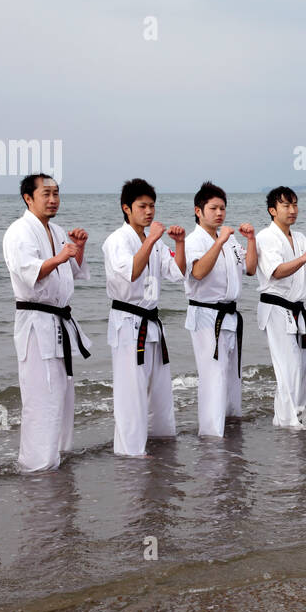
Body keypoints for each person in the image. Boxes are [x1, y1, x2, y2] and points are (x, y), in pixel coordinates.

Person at [2, 173, 92, 472]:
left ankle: (58, 457)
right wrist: (60, 256)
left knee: (62, 396)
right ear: (28, 198)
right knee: (42, 396)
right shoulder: (19, 232)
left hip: (58, 320)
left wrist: (76, 249)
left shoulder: (57, 230)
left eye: (56, 193)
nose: (53, 199)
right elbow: (30, 272)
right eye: (46, 194)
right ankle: (36, 465)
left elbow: (73, 273)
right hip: (36, 321)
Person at [103, 179, 186, 455]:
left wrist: (180, 243)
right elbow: (133, 272)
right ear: (127, 208)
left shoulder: (155, 243)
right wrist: (152, 239)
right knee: (131, 394)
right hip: (128, 324)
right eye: (142, 206)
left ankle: (160, 447)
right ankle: (130, 454)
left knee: (160, 391)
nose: (149, 211)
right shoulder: (117, 240)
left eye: (152, 206)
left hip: (151, 324)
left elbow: (177, 272)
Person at [185, 181, 257, 437]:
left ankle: (230, 426)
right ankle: (211, 434)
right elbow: (198, 272)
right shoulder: (195, 240)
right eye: (213, 208)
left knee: (230, 376)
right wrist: (220, 241)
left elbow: (249, 269)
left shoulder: (228, 239)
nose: (219, 213)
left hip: (229, 315)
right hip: (206, 315)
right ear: (198, 211)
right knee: (213, 376)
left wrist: (250, 240)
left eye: (222, 208)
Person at [256, 186, 306, 428]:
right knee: (288, 367)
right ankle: (287, 423)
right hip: (276, 308)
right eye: (286, 205)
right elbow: (275, 271)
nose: (292, 210)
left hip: (297, 309)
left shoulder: (300, 238)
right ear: (272, 210)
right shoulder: (266, 237)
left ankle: (295, 417)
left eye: (294, 204)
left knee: (303, 369)